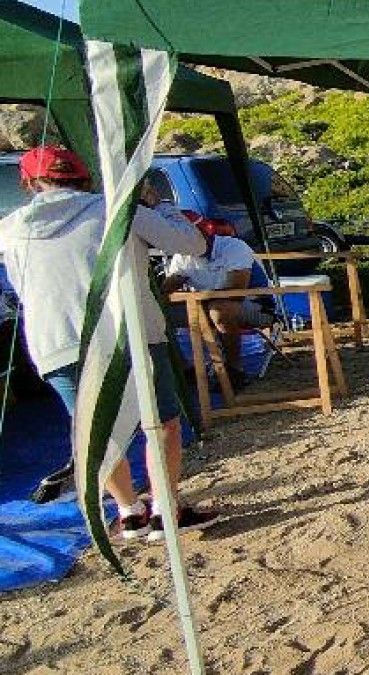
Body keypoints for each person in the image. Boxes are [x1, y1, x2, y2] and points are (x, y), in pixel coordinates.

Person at [0, 145, 216, 541]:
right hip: (128, 332)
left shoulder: (9, 229)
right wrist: (160, 206)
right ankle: (165, 509)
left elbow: (18, 287)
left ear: (28, 183)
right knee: (159, 422)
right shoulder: (117, 209)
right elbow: (193, 243)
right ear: (84, 177)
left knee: (97, 433)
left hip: (57, 342)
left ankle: (129, 512)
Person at [161, 221, 275, 390]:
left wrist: (200, 298)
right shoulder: (183, 256)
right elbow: (167, 289)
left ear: (205, 234)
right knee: (156, 313)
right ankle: (186, 370)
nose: (185, 243)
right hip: (208, 306)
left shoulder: (234, 247)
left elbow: (237, 290)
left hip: (257, 306)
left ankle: (234, 370)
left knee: (220, 310)